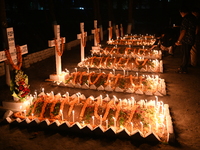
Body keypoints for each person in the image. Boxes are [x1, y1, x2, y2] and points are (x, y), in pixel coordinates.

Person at [175, 6, 197, 74]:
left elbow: (184, 30)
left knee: (185, 53)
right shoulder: (193, 18)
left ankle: (183, 68)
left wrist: (179, 40)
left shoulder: (186, 18)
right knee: (187, 53)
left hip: (186, 39)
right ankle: (184, 66)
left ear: (182, 12)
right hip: (192, 38)